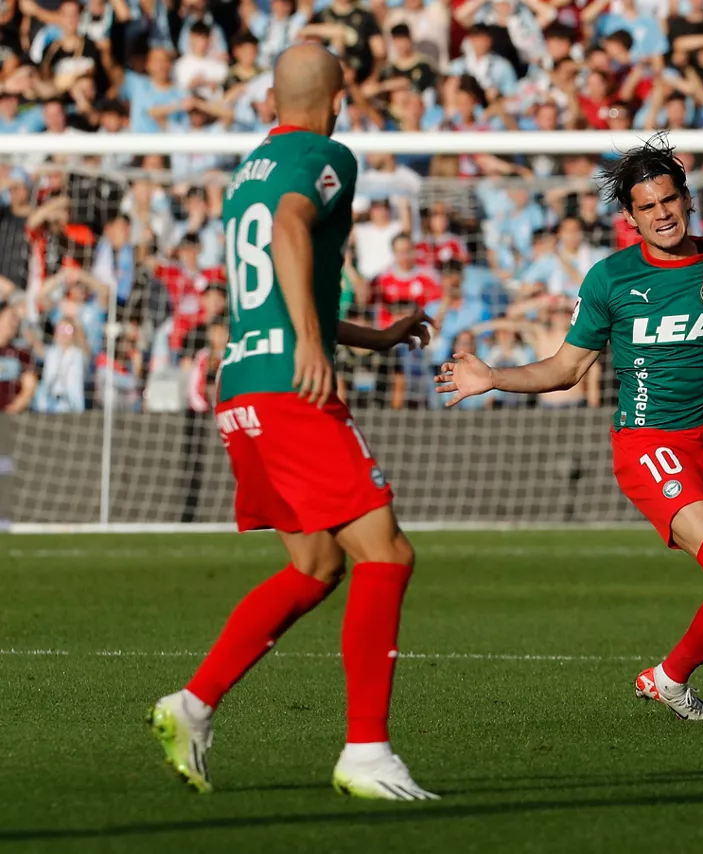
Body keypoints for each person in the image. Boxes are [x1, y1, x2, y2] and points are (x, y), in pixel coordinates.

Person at [437, 138, 703, 729]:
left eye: (669, 199)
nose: (662, 214)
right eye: (647, 207)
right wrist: (493, 377)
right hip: (649, 444)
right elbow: (566, 369)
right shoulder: (611, 279)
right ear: (630, 217)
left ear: (686, 199)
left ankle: (667, 678)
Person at [148, 44, 436, 802]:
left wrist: (371, 337)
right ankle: (367, 752)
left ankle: (193, 704)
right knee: (387, 553)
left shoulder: (249, 168)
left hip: (241, 385)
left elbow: (277, 278)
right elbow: (291, 229)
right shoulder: (326, 153)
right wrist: (313, 343)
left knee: (315, 565)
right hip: (288, 388)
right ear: (338, 98)